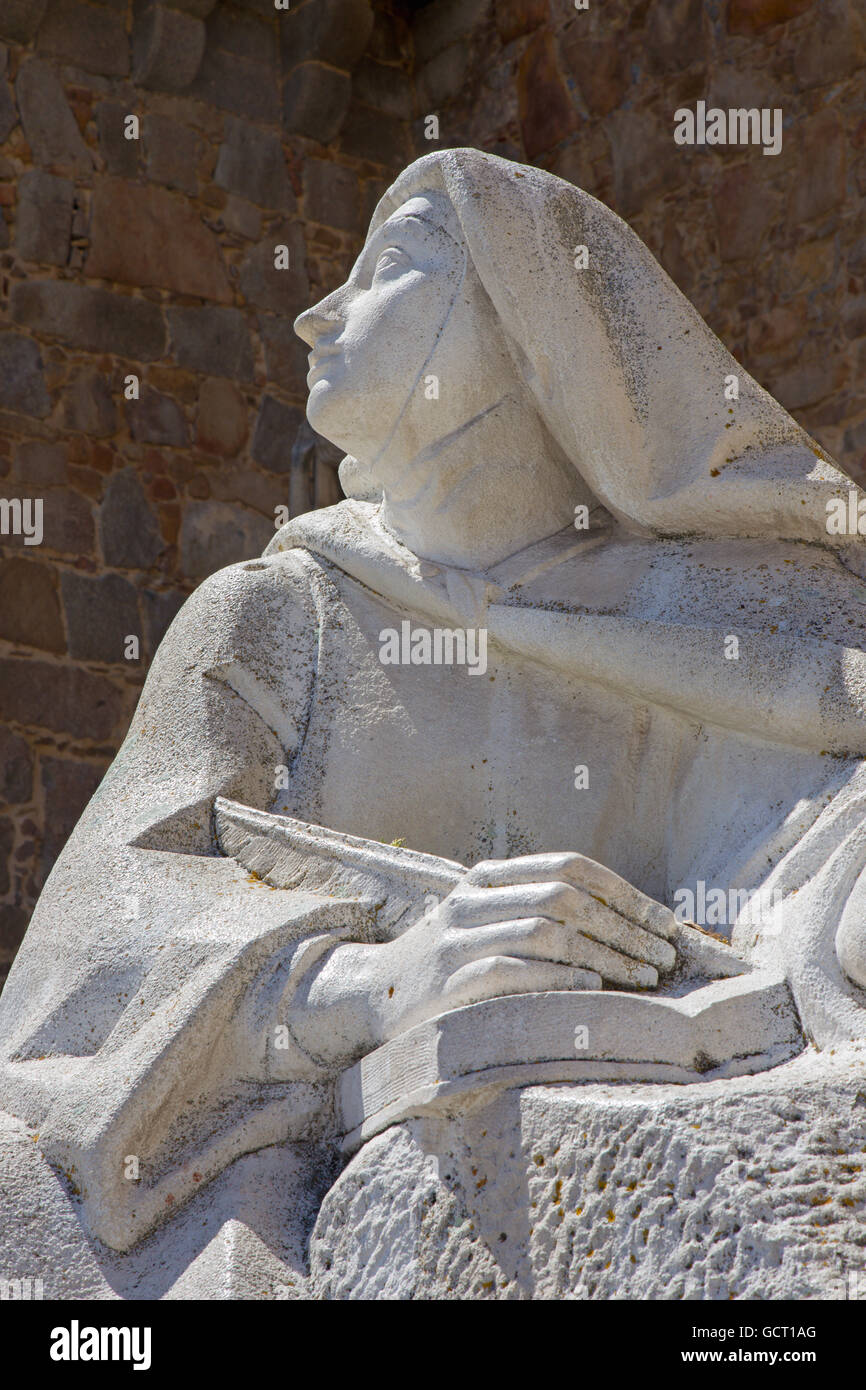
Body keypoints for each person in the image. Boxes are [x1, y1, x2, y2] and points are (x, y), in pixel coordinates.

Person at [1, 148, 865, 1254]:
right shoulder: (281, 614)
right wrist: (368, 981)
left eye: (389, 262)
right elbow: (81, 947)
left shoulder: (696, 615)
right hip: (289, 1165)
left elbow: (795, 840)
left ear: (533, 329)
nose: (317, 312)